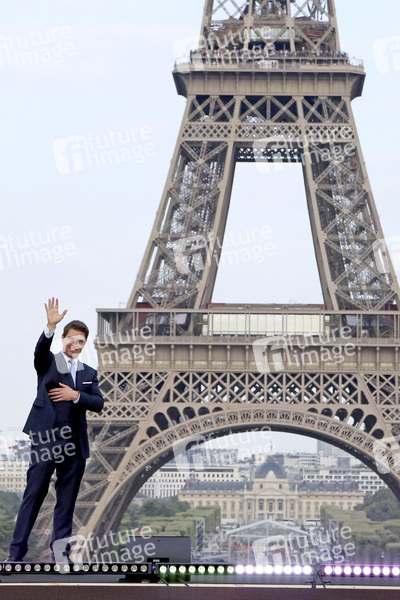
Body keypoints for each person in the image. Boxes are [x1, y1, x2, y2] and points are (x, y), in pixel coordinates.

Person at [5, 298, 104, 562]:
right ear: (63, 339)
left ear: (84, 344)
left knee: (66, 502)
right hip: (46, 439)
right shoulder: (48, 363)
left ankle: (61, 556)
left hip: (74, 444)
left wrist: (75, 395)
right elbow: (39, 353)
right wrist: (49, 327)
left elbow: (98, 403)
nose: (75, 344)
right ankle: (16, 553)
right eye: (71, 338)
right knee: (33, 495)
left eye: (80, 340)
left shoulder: (88, 373)